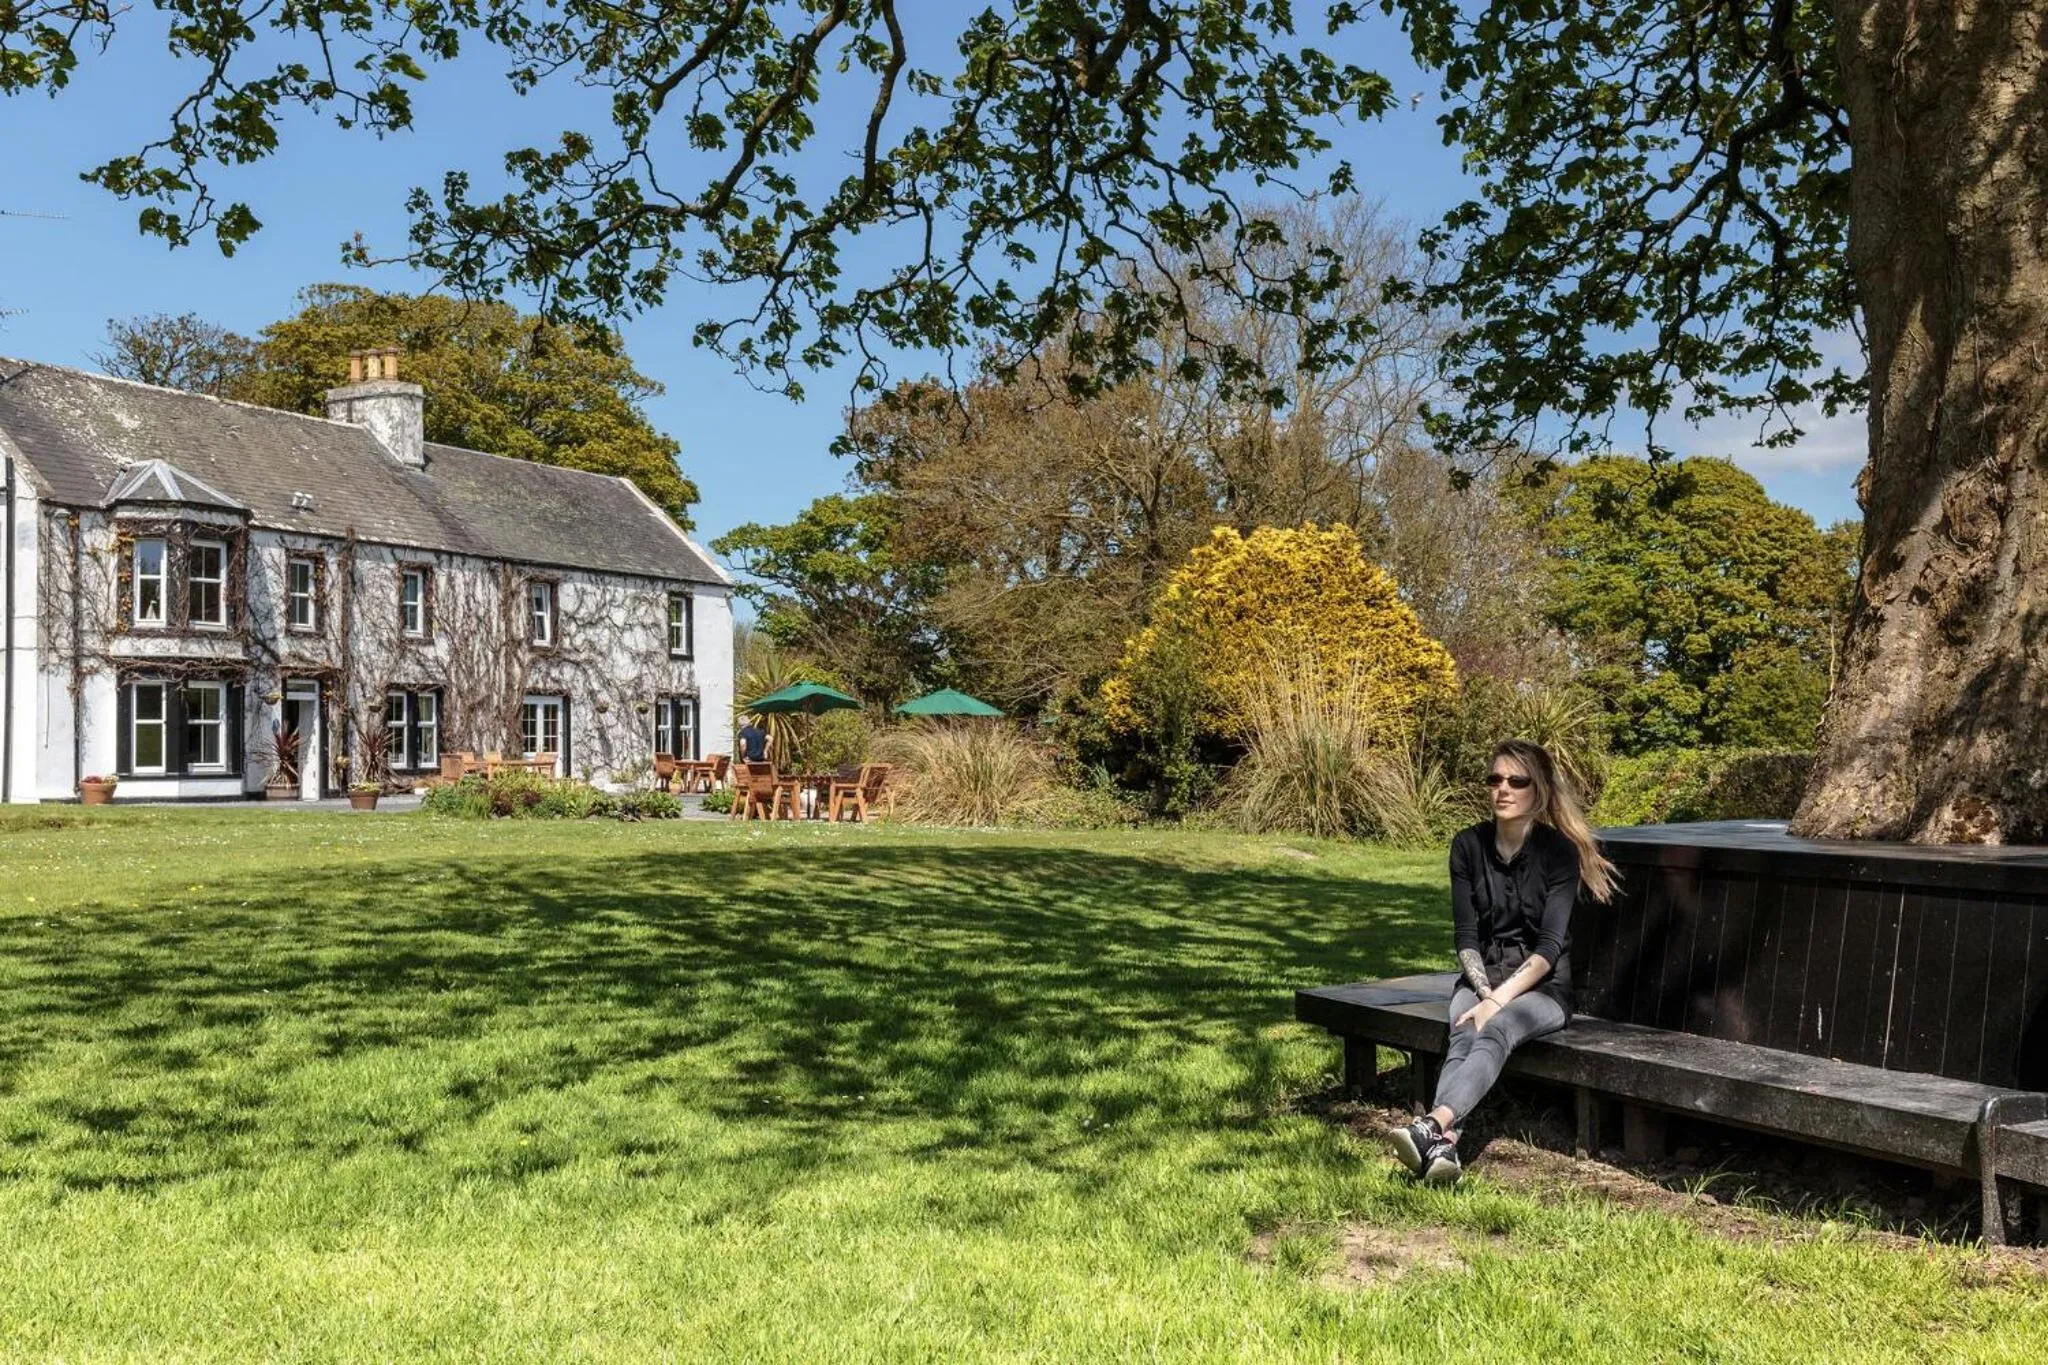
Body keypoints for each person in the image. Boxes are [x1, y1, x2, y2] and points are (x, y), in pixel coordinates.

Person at [1389, 738, 1617, 1185]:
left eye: (1517, 781)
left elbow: (1549, 950)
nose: (1503, 789)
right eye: (1495, 779)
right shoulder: (1467, 847)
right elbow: (1467, 938)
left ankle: (1431, 1125)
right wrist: (1483, 993)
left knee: (1497, 1027)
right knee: (1463, 1032)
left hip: (1543, 990)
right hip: (1480, 981)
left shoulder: (1559, 853)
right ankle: (1445, 1149)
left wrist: (1497, 1002)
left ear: (1539, 792)